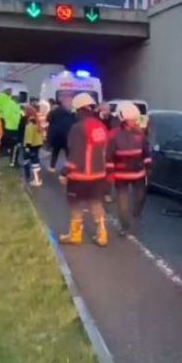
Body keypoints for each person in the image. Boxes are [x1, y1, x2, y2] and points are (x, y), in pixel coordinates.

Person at [59, 93, 109, 247]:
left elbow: (76, 154)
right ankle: (102, 234)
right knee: (96, 203)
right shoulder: (100, 126)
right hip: (99, 174)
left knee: (75, 204)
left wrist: (65, 171)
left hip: (80, 176)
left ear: (78, 109)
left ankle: (75, 235)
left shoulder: (77, 128)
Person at [107, 102, 150, 236]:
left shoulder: (140, 133)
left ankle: (135, 214)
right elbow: (108, 156)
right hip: (121, 175)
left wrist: (148, 165)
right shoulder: (113, 135)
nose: (135, 122)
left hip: (139, 174)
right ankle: (124, 226)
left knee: (140, 198)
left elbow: (146, 152)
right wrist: (109, 173)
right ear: (124, 120)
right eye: (132, 120)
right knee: (122, 204)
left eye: (135, 119)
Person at [47, 95, 76, 172]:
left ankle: (52, 167)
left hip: (58, 135)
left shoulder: (56, 111)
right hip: (66, 135)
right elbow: (74, 122)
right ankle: (69, 168)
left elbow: (49, 119)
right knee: (68, 153)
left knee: (56, 151)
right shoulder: (71, 112)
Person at [21, 105, 46, 186]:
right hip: (37, 145)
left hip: (30, 145)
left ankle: (29, 179)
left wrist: (27, 147)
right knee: (35, 162)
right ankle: (37, 179)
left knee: (27, 162)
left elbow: (29, 136)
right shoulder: (36, 122)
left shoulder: (29, 125)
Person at [0, 88, 22, 159]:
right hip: (5, 120)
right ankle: (4, 151)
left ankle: (0, 150)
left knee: (0, 135)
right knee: (4, 136)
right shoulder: (7, 100)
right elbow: (7, 111)